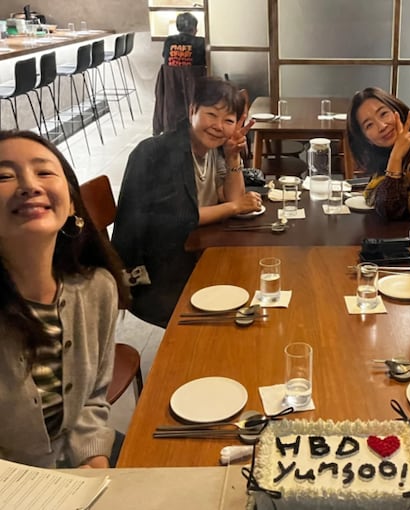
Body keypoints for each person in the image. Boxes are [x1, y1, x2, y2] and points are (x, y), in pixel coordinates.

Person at [0, 130, 130, 468]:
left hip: (73, 461)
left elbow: (92, 398)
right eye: (4, 176)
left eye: (44, 171)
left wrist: (93, 454)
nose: (29, 185)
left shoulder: (97, 289)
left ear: (72, 203)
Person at [113, 76, 261, 328]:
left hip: (195, 250)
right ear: (192, 110)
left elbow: (232, 197)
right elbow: (182, 218)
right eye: (211, 114)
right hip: (158, 272)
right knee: (242, 295)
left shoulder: (213, 150)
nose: (218, 126)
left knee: (251, 279)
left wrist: (233, 157)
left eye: (228, 120)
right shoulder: (159, 152)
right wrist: (235, 207)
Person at [346, 87, 410, 220]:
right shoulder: (383, 159)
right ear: (366, 139)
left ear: (396, 110)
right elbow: (382, 205)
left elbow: (390, 210)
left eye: (383, 114)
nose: (382, 126)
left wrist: (396, 156)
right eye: (369, 125)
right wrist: (396, 156)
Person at [154, 12, 207, 135]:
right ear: (194, 29)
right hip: (194, 91)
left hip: (171, 92)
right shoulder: (201, 42)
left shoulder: (169, 41)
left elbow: (164, 57)